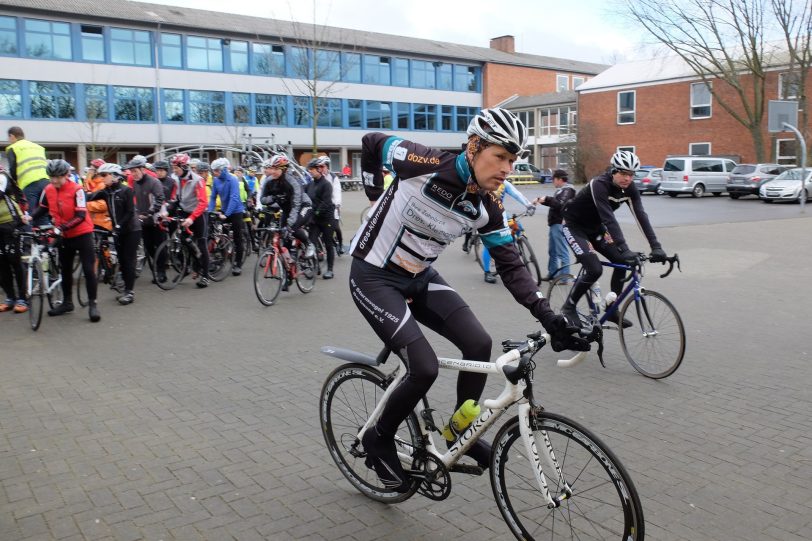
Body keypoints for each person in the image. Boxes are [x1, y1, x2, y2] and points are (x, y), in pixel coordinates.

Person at [348, 108, 588, 492]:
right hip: (374, 275)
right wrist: (375, 194)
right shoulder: (419, 161)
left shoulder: (487, 207)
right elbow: (372, 143)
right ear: (474, 147)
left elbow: (512, 267)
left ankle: (459, 431)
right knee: (423, 368)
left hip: (418, 277)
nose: (507, 168)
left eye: (513, 160)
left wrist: (550, 318)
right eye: (501, 157)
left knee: (478, 344)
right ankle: (378, 439)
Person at [560, 150, 667, 328]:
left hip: (596, 228)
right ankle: (568, 307)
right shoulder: (599, 184)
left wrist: (656, 246)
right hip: (574, 226)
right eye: (624, 173)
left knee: (623, 262)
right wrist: (624, 247)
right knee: (594, 269)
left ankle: (612, 308)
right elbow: (609, 218)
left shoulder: (630, 188)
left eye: (631, 174)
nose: (628, 178)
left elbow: (641, 216)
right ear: (613, 171)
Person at [27, 159, 100, 322]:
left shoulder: (77, 189)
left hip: (82, 233)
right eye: (52, 177)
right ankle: (67, 303)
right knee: (65, 270)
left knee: (89, 270)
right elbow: (43, 208)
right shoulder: (48, 189)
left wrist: (61, 228)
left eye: (58, 177)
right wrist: (29, 217)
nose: (54, 180)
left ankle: (93, 304)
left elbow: (81, 215)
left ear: (66, 175)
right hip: (64, 235)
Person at [88, 163, 142, 305]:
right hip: (118, 231)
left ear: (115, 176)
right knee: (122, 261)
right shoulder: (106, 191)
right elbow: (91, 197)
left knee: (128, 260)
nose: (102, 178)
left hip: (132, 230)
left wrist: (118, 225)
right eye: (101, 175)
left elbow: (130, 212)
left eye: (104, 175)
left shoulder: (126, 191)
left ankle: (129, 292)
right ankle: (124, 287)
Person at [479, 178, 536, 284]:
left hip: (500, 213)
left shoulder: (504, 183)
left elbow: (516, 193)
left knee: (517, 225)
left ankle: (516, 246)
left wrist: (529, 205)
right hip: (485, 215)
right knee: (489, 243)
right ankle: (487, 272)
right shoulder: (485, 181)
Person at [168, 153, 210, 288]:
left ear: (184, 166)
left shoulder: (197, 180)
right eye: (173, 168)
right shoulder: (177, 179)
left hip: (199, 215)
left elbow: (203, 202)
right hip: (186, 212)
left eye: (176, 168)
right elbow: (175, 199)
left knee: (202, 245)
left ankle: (205, 276)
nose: (174, 171)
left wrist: (192, 218)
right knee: (182, 240)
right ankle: (187, 267)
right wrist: (165, 212)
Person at [126, 156, 165, 287]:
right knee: (149, 247)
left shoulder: (154, 182)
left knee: (160, 246)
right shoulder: (136, 183)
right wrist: (135, 213)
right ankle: (156, 268)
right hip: (144, 220)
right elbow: (135, 201)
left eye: (135, 171)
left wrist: (150, 213)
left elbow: (159, 199)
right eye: (131, 172)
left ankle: (161, 272)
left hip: (157, 219)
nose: (133, 174)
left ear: (143, 169)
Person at [536, 169, 576, 281]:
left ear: (559, 179)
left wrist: (546, 199)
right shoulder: (561, 190)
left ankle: (564, 277)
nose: (552, 181)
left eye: (553, 179)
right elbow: (554, 203)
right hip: (554, 224)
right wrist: (542, 200)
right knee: (552, 251)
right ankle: (552, 273)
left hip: (559, 224)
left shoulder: (568, 190)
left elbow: (559, 204)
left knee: (562, 251)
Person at [5, 126, 49, 226]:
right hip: (46, 182)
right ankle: (45, 240)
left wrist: (15, 184)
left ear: (12, 136)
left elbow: (13, 169)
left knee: (28, 215)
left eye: (8, 138)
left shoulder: (13, 148)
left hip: (29, 183)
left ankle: (29, 241)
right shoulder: (37, 147)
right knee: (43, 212)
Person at [209, 158, 246, 275]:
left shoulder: (233, 179)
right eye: (213, 171)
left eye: (217, 171)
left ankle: (237, 264)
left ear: (224, 170)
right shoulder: (216, 180)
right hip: (224, 210)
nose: (215, 173)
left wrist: (226, 214)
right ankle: (220, 260)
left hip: (236, 211)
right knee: (221, 237)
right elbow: (213, 197)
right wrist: (210, 211)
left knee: (237, 237)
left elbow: (234, 198)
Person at [0, 165, 27, 313]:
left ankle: (22, 298)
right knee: (2, 263)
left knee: (15, 261)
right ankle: (10, 298)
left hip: (11, 223)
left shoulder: (2, 176)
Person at [306, 158, 335, 279]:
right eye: (309, 170)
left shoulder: (326, 184)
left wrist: (316, 211)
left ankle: (329, 270)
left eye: (312, 169)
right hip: (315, 219)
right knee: (311, 243)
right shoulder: (310, 184)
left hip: (326, 219)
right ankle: (315, 267)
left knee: (328, 244)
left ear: (319, 170)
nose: (310, 172)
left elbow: (326, 202)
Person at [314, 156, 344, 255]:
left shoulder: (333, 177)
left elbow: (337, 193)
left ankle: (340, 244)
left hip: (332, 207)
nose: (320, 169)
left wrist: (336, 204)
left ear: (327, 166)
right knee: (324, 230)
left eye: (322, 167)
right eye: (318, 167)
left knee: (336, 227)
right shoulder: (318, 177)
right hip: (321, 206)